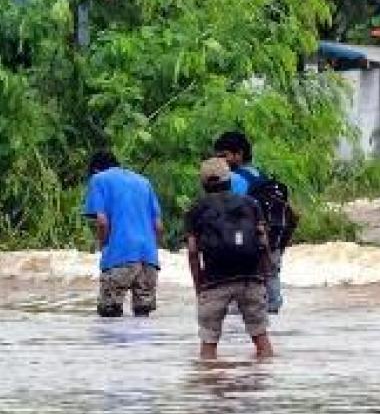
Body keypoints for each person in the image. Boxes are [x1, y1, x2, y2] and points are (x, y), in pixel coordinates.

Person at [184, 158, 274, 360]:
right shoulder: (251, 204)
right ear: (230, 180)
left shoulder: (196, 209)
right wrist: (265, 275)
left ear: (203, 183)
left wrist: (199, 284)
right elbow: (264, 242)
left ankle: (211, 383)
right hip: (250, 278)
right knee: (261, 340)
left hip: (215, 280)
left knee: (209, 344)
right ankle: (265, 386)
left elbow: (192, 251)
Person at [213, 131, 298, 315]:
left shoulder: (234, 178)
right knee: (271, 295)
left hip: (245, 244)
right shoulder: (262, 176)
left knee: (239, 307)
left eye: (224, 155)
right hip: (270, 244)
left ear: (239, 154)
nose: (220, 161)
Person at [83, 151, 163, 318]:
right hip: (148, 259)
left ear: (96, 170)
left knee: (109, 313)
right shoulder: (144, 182)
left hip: (119, 255)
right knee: (143, 315)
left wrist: (104, 245)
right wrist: (152, 250)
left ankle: (115, 345)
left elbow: (102, 221)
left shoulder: (99, 179)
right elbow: (158, 226)